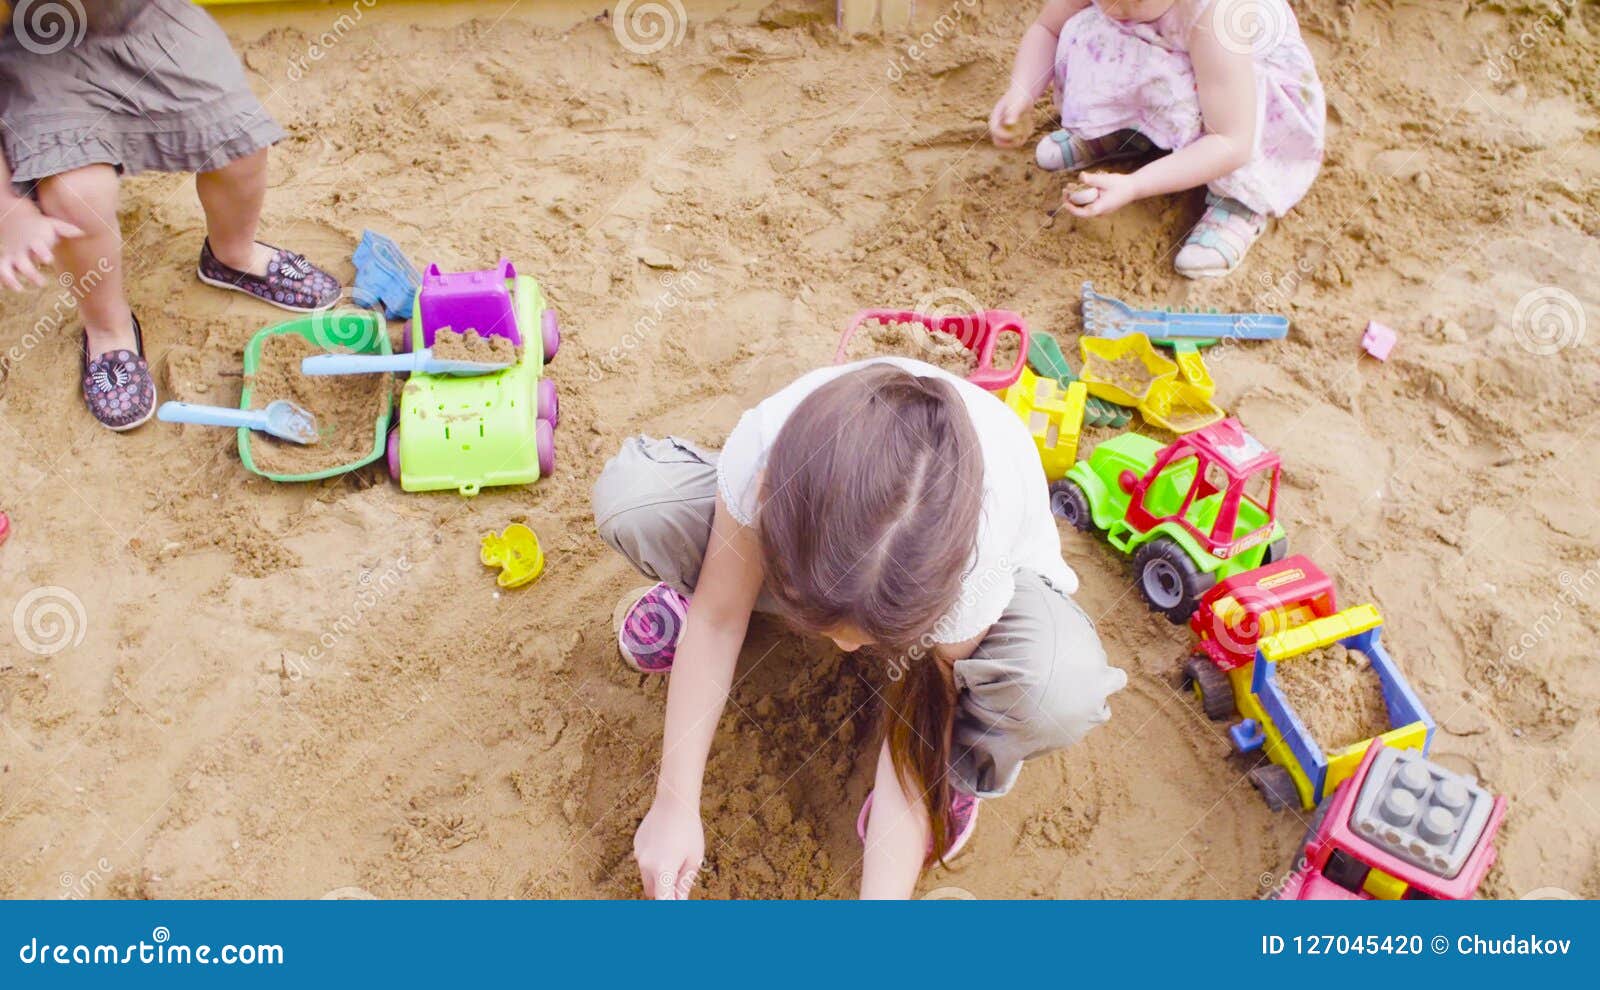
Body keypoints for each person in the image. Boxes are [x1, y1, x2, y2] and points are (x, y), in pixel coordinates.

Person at [593, 359, 1127, 898]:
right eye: (825, 622)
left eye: (868, 636)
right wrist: (674, 805)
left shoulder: (975, 560)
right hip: (824, 522)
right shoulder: (768, 456)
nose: (846, 648)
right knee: (640, 501)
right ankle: (713, 573)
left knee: (1055, 691)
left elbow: (924, 710)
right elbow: (717, 619)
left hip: (978, 580)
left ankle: (957, 771)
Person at [0, 0, 340, 431]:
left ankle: (232, 255)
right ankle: (108, 328)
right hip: (41, 49)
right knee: (76, 194)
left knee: (239, 142)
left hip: (147, 19)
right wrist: (10, 210)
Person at [989, 0, 1325, 278]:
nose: (1113, 7)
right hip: (1176, 54)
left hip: (1244, 104)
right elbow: (1048, 28)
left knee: (1227, 122)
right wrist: (1021, 93)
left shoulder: (1217, 16)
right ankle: (1123, 129)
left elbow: (1232, 141)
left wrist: (1134, 185)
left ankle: (1239, 203)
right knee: (1087, 28)